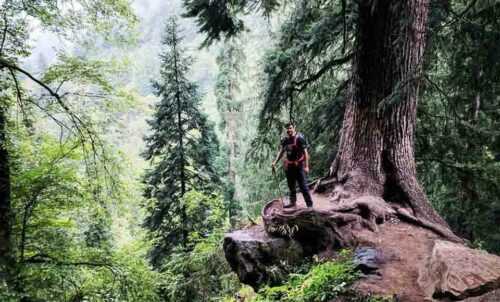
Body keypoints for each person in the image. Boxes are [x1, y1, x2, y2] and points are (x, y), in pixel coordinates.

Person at [272, 122, 314, 208]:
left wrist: (306, 166)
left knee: (303, 186)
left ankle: (310, 205)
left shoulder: (300, 138)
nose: (289, 130)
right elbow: (281, 151)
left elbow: (305, 153)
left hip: (299, 166)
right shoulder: (285, 140)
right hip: (289, 167)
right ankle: (293, 202)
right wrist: (275, 162)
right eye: (287, 129)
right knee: (291, 186)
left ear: (294, 128)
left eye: (290, 128)